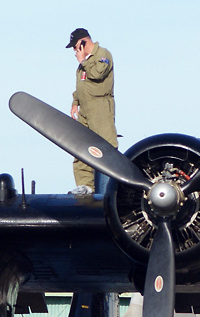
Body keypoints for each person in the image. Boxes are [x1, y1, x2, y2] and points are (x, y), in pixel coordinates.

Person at [67, 28, 117, 196]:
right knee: (80, 147)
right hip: (85, 110)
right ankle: (85, 185)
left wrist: (83, 61)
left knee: (106, 147)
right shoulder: (83, 63)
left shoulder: (102, 55)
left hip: (100, 107)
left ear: (83, 42)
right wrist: (75, 103)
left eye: (75, 47)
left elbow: (97, 74)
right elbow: (80, 86)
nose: (75, 51)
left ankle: (110, 186)